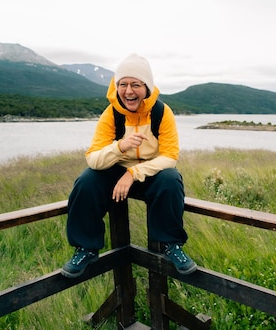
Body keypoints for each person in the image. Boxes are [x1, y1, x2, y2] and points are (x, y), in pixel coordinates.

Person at [61, 53, 197, 278]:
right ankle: (85, 248)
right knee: (86, 181)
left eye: (136, 84)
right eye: (122, 84)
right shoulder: (111, 114)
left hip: (149, 172)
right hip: (116, 170)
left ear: (147, 87)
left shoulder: (162, 113)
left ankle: (171, 245)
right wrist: (119, 147)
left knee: (171, 180)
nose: (128, 91)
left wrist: (133, 173)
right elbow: (94, 158)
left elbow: (170, 157)